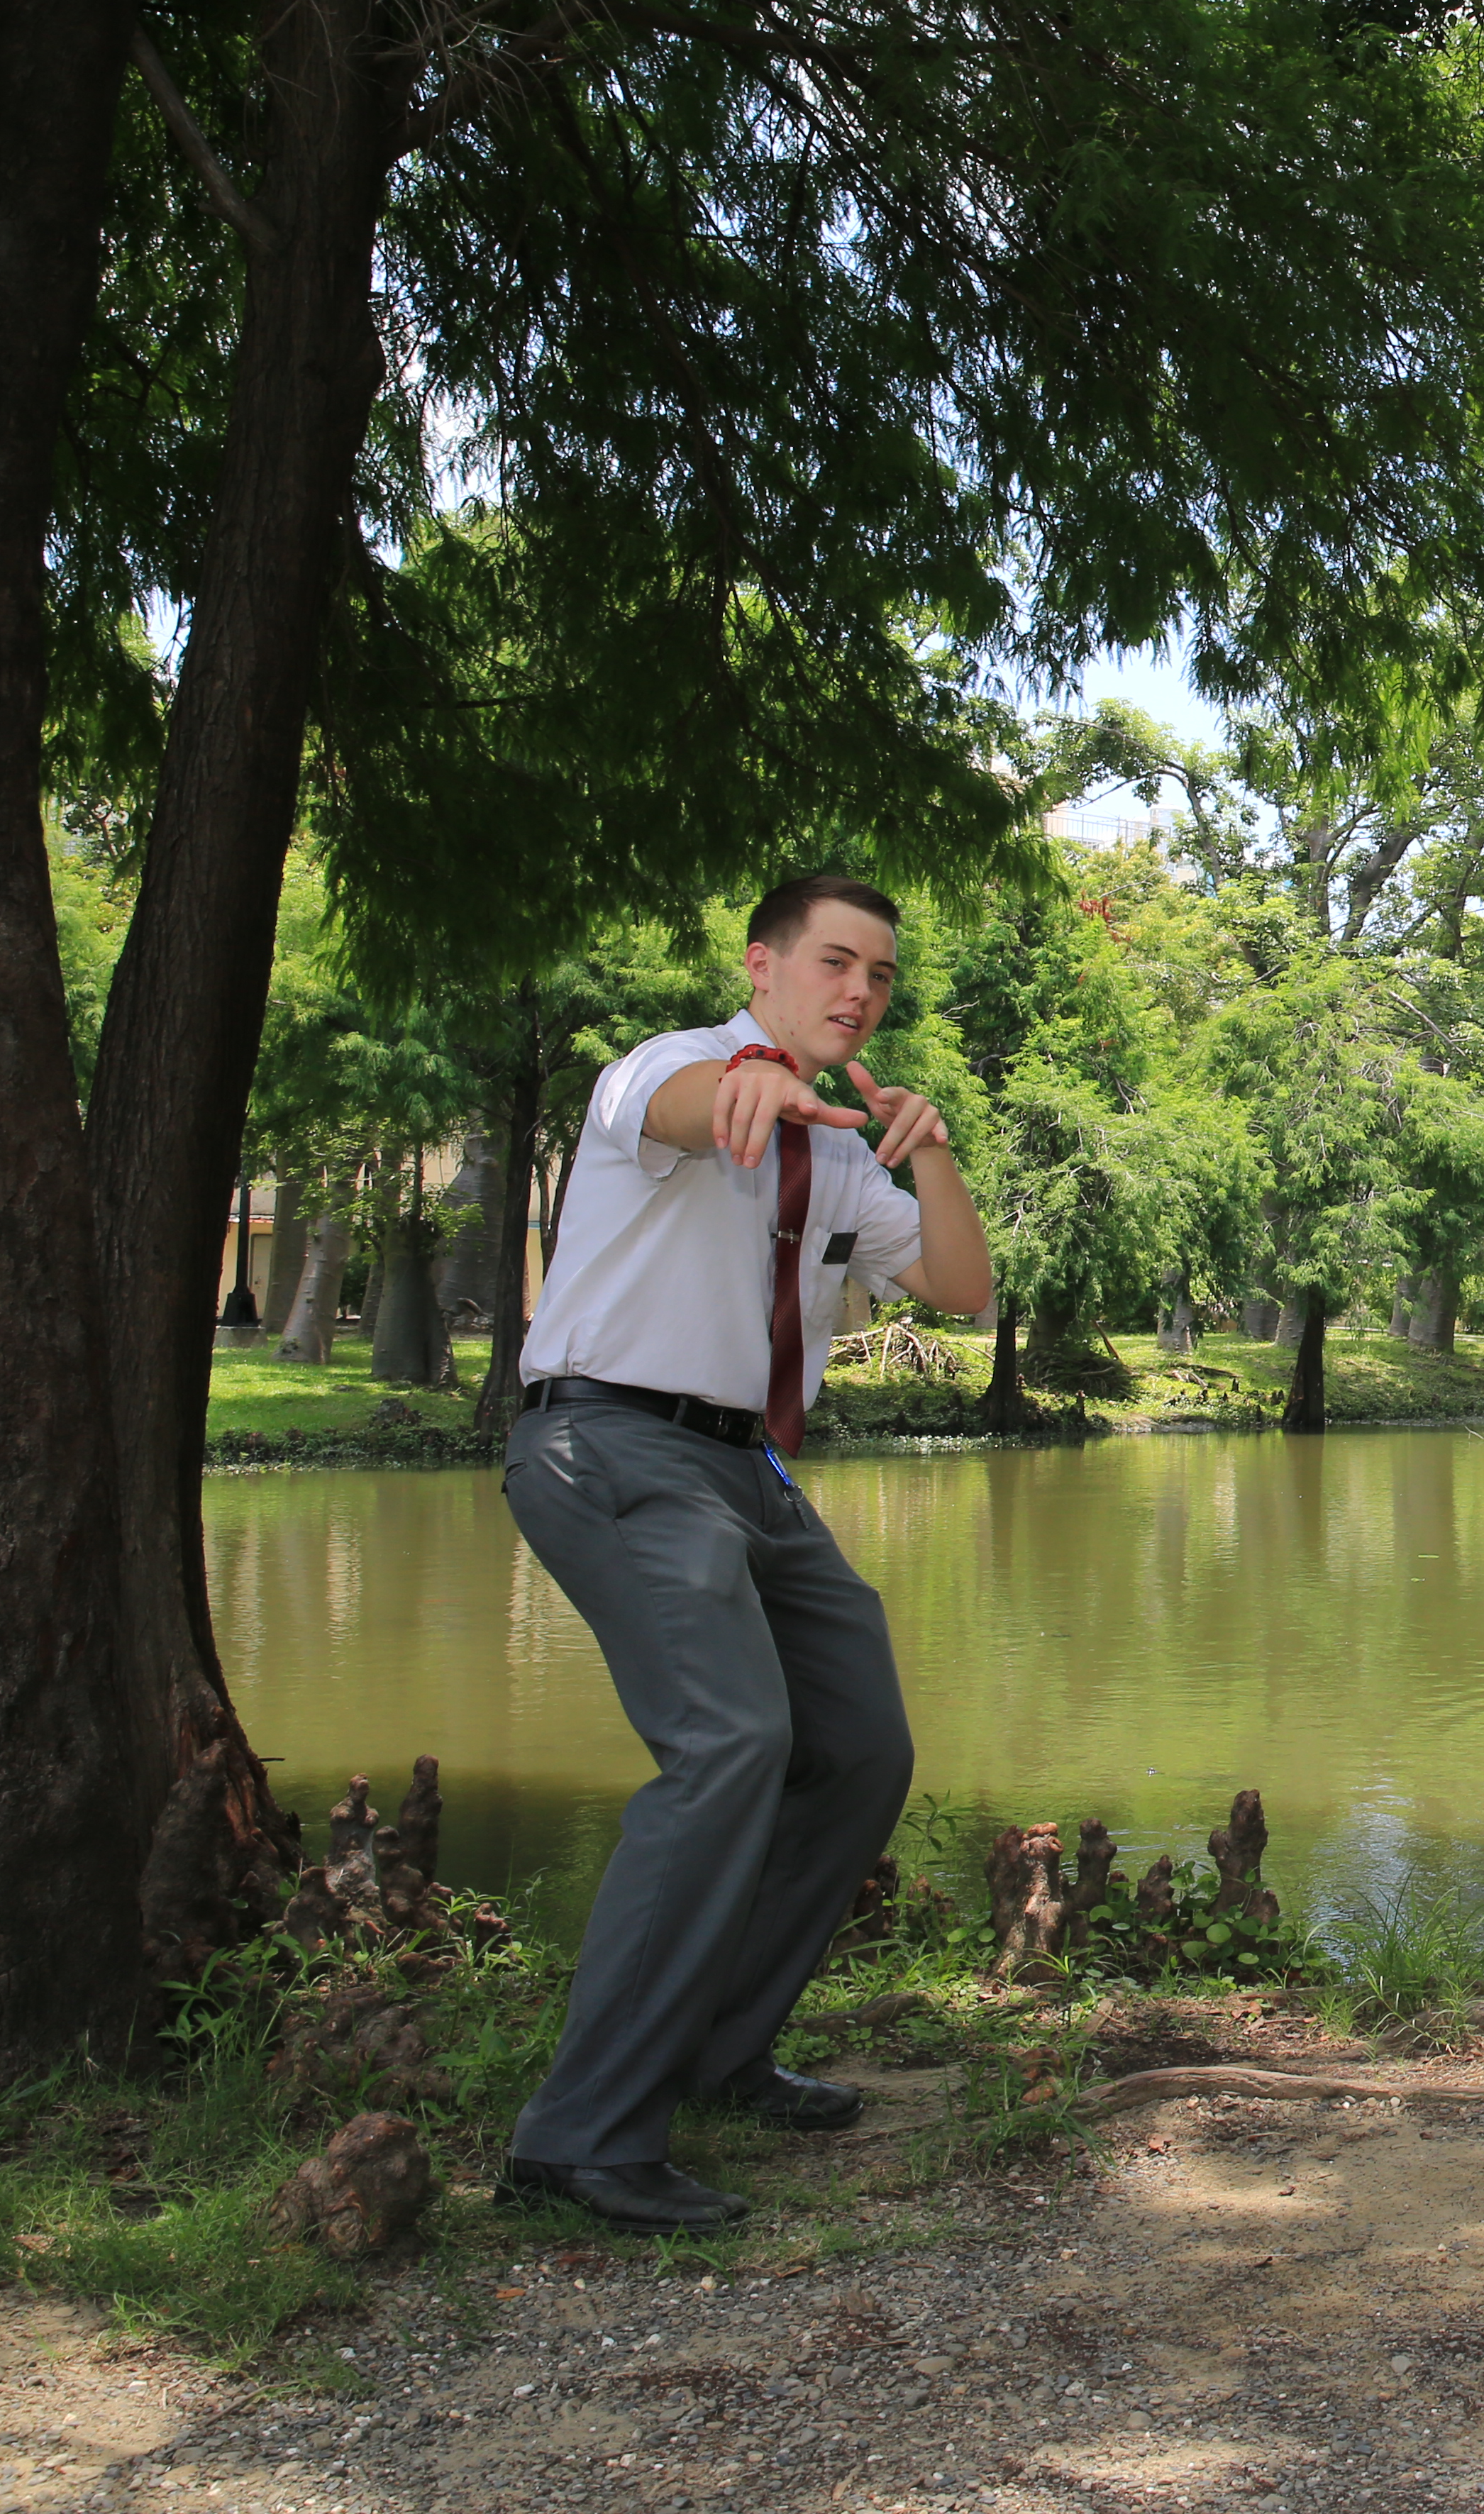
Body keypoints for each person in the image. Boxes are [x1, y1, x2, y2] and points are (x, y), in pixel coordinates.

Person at [493, 875, 992, 2235]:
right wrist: (740, 1087)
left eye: (880, 977)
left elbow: (963, 1289)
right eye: (836, 963)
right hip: (610, 1444)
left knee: (861, 1744)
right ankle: (582, 2132)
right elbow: (664, 1112)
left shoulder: (838, 1151)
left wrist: (925, 1148)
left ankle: (719, 2051)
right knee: (726, 1743)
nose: (859, 992)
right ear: (764, 965)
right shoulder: (672, 1068)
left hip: (748, 1470)